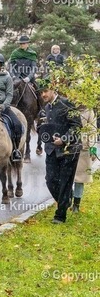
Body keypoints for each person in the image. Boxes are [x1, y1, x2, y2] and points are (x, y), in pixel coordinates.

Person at [36, 78, 82, 224]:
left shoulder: (66, 104)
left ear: (53, 89)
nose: (43, 95)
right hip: (51, 150)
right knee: (50, 180)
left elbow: (77, 126)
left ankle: (60, 216)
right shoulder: (45, 108)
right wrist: (41, 129)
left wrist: (64, 139)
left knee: (65, 182)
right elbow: (41, 128)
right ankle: (66, 199)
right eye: (41, 92)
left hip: (69, 150)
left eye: (45, 91)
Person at [72, 107, 97, 213]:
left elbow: (93, 131)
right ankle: (67, 198)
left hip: (83, 148)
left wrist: (93, 149)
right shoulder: (67, 107)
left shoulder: (89, 111)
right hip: (68, 146)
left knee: (80, 178)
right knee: (65, 177)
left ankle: (76, 204)